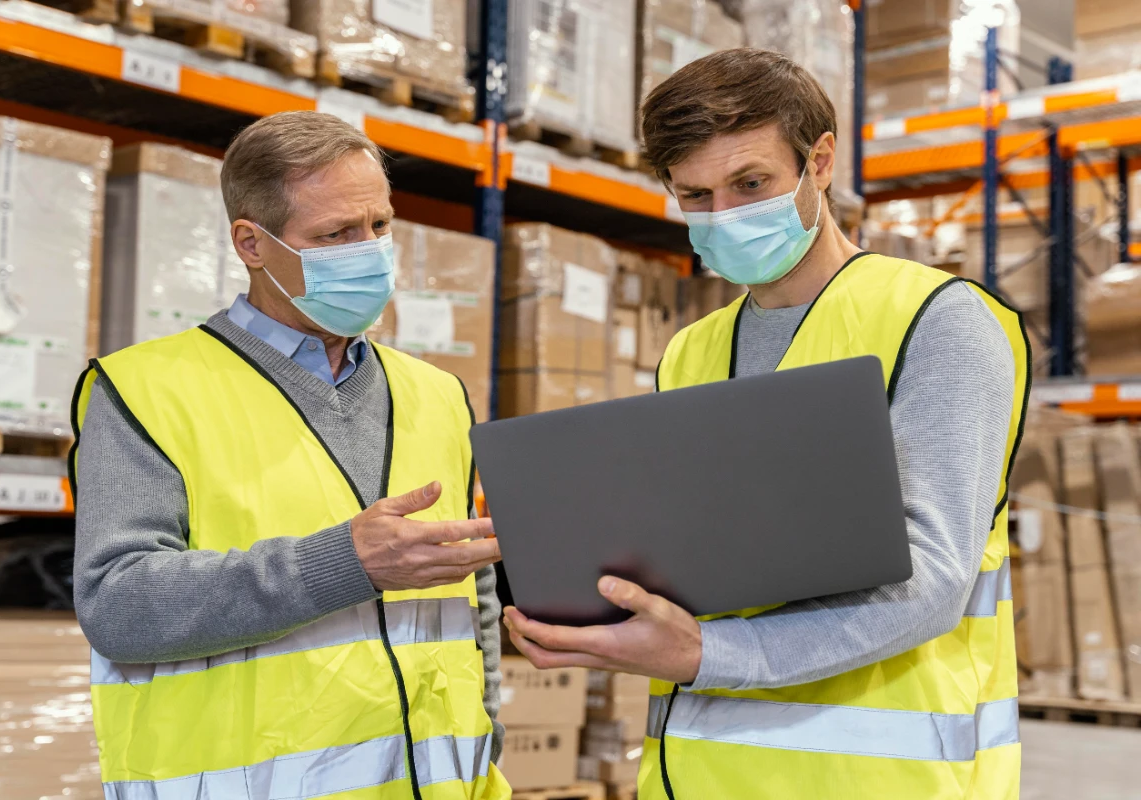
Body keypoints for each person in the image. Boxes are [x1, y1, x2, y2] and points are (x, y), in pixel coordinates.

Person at [502, 48, 1029, 799]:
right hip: (698, 777)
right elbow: (692, 562)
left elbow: (932, 580)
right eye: (697, 196)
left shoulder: (937, 323)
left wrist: (706, 654)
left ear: (819, 163)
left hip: (880, 782)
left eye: (751, 184)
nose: (726, 217)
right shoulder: (692, 351)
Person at [70, 111, 511, 799]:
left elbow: (470, 590)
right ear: (251, 243)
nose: (368, 252)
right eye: (335, 235)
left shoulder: (437, 394)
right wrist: (344, 564)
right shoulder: (145, 391)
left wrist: (488, 741)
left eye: (380, 226)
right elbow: (119, 605)